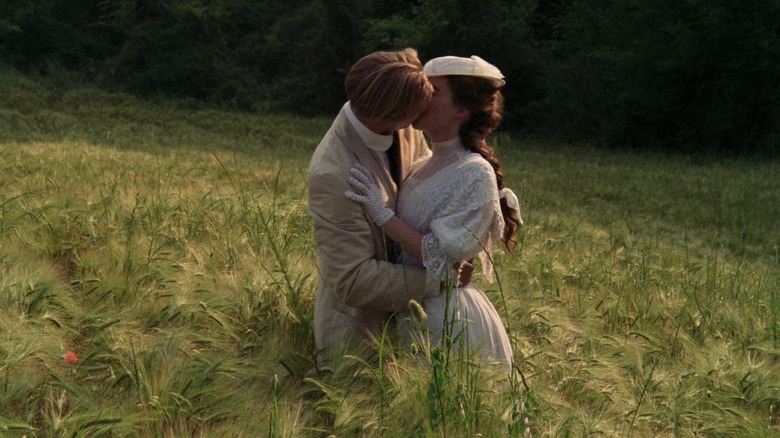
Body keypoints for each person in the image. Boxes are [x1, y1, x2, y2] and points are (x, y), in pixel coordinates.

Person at [346, 55, 522, 371]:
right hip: (412, 309)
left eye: (434, 90)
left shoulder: (474, 172)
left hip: (449, 320)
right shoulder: (425, 163)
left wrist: (381, 213)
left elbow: (441, 254)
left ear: (461, 110)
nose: (422, 96)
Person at [308, 48, 445, 364]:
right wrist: (440, 280)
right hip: (358, 343)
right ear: (387, 116)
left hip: (411, 328)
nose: (421, 121)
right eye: (416, 115)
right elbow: (352, 280)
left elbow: (425, 179)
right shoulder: (333, 172)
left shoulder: (400, 117)